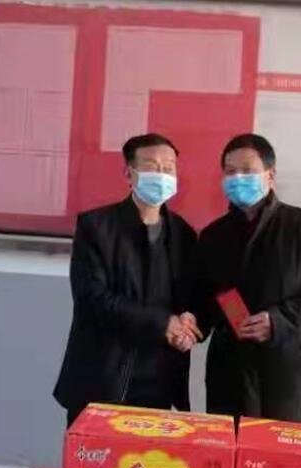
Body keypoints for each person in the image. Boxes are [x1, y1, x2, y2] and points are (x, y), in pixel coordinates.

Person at [197, 133, 301, 421]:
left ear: (270, 175)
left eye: (248, 171)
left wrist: (278, 321)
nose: (238, 178)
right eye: (230, 171)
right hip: (230, 374)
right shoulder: (213, 236)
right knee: (231, 442)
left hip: (287, 373)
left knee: (283, 446)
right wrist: (188, 326)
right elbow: (207, 299)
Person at [54, 133, 201, 427]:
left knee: (149, 455)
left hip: (159, 377)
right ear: (128, 173)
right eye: (151, 166)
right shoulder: (96, 226)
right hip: (102, 374)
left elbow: (191, 297)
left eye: (168, 167)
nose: (161, 174)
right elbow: (91, 296)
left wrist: (189, 324)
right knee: (93, 457)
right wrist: (162, 322)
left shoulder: (184, 234)